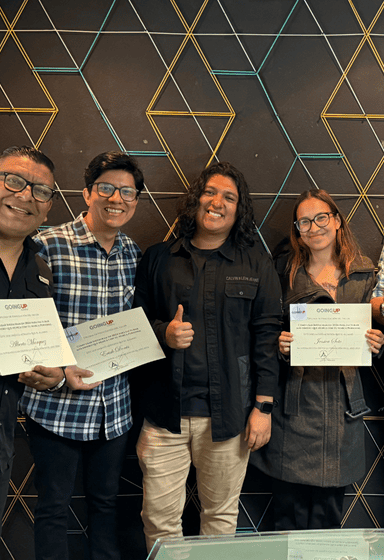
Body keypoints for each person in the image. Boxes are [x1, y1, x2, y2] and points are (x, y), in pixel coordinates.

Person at [133, 161, 282, 553]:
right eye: (210, 192)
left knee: (220, 519)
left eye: (229, 197)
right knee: (159, 521)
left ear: (239, 209)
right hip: (164, 417)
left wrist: (263, 407)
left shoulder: (256, 263)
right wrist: (163, 333)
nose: (217, 202)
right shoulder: (158, 258)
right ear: (196, 199)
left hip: (229, 417)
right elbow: (134, 324)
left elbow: (267, 338)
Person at [0, 146, 93, 559]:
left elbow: (38, 354)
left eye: (41, 191)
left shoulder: (39, 270)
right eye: (14, 181)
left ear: (49, 206)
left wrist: (52, 377)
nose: (25, 195)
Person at [19, 151, 144, 560]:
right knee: (53, 508)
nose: (116, 198)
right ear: (87, 193)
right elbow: (26, 324)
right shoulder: (48, 244)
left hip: (114, 408)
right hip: (57, 406)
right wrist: (58, 370)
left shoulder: (133, 253)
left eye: (127, 192)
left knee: (106, 505)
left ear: (136, 201)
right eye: (106, 188)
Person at [253, 188, 384, 530]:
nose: (314, 227)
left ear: (337, 221)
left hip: (344, 412)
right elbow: (262, 331)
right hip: (294, 410)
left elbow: (373, 331)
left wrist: (377, 343)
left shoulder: (364, 275)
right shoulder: (282, 274)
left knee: (328, 523)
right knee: (287, 519)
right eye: (305, 222)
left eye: (321, 217)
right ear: (297, 231)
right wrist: (280, 346)